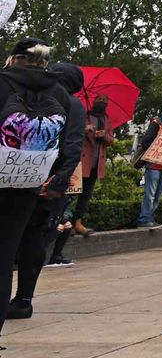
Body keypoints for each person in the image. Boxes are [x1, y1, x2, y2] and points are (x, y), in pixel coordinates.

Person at [0, 39, 79, 341]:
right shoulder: (60, 93)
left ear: (13, 59)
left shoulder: (3, 84)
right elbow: (68, 145)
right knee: (4, 260)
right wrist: (57, 181)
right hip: (28, 186)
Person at [72, 94, 114, 237]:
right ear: (94, 101)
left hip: (96, 163)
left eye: (105, 100)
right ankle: (63, 222)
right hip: (82, 161)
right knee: (72, 192)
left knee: (86, 195)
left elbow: (111, 139)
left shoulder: (107, 119)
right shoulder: (85, 116)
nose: (102, 102)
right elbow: (73, 131)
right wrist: (85, 129)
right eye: (99, 100)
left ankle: (77, 222)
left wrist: (104, 136)